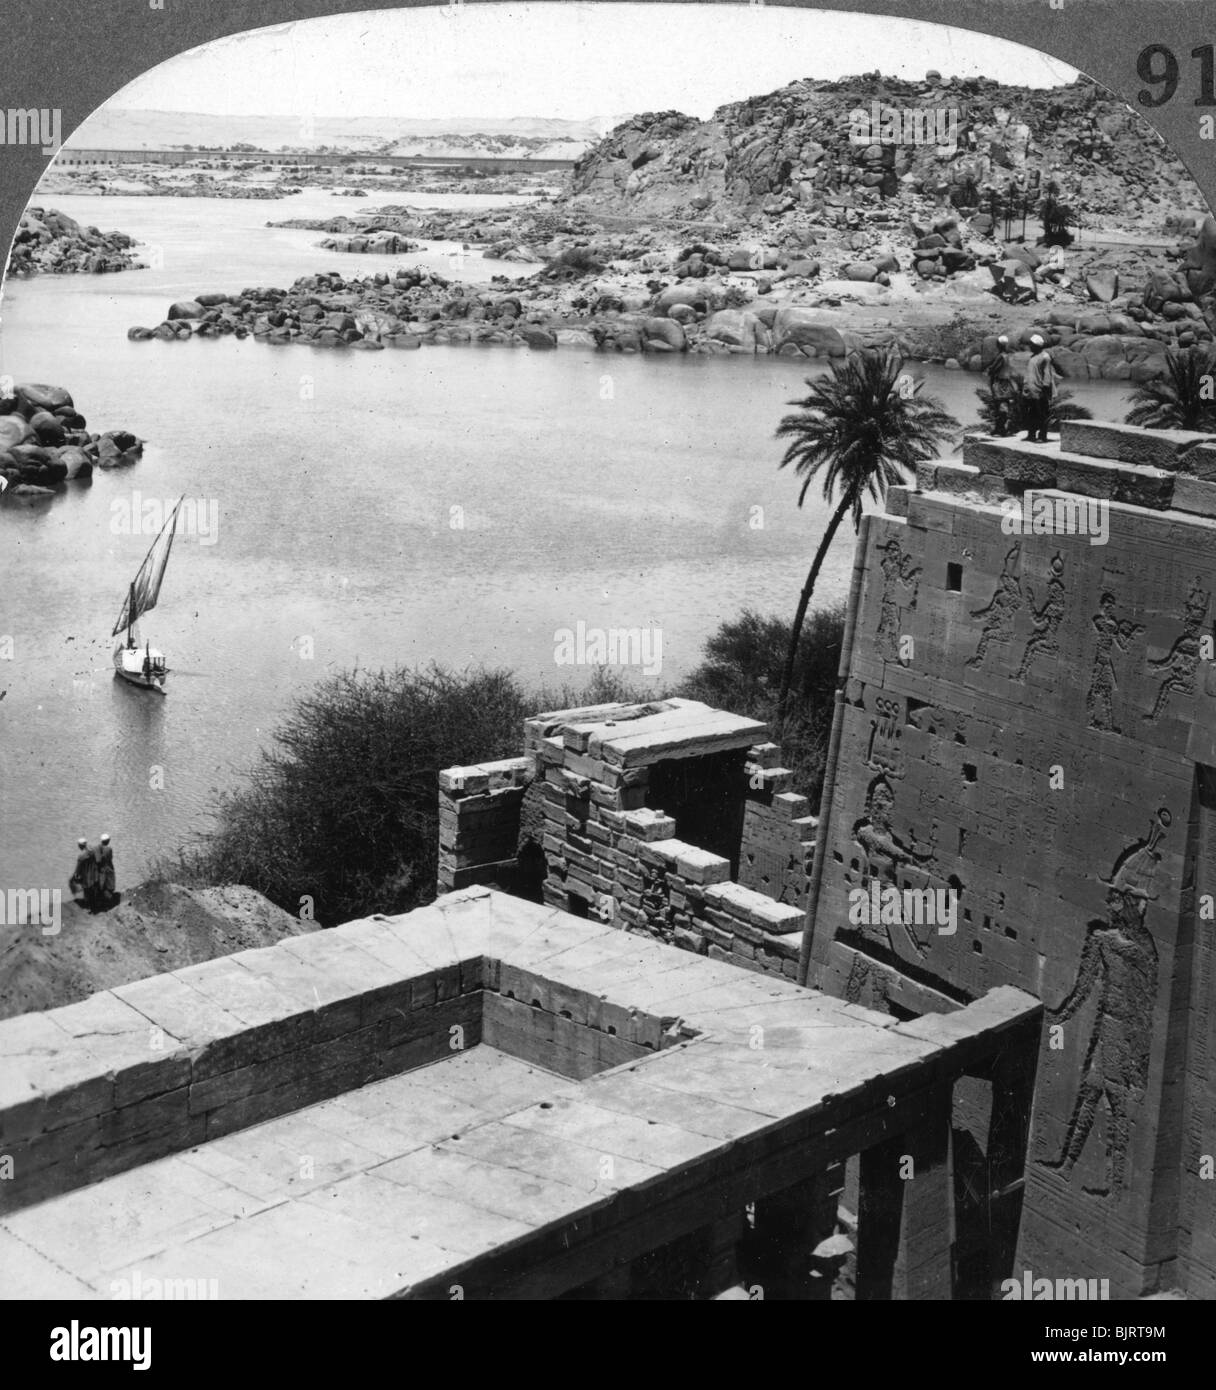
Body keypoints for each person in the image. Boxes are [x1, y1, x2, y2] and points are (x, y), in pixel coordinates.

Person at [1022, 334, 1058, 442]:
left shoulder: (1045, 357)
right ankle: (1031, 434)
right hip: (1031, 391)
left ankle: (1042, 436)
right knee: (1031, 413)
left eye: (1031, 344)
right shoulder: (1033, 357)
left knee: (1041, 414)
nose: (1030, 346)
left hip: (1039, 391)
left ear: (1036, 345)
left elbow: (1047, 375)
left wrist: (1045, 389)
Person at [986, 334, 1016, 437]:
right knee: (1004, 404)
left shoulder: (1000, 357)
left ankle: (1000, 429)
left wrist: (989, 371)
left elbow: (993, 369)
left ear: (998, 345)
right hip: (1007, 383)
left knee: (999, 405)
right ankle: (1001, 428)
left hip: (1000, 383)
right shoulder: (1008, 356)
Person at [69, 837, 96, 908]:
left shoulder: (81, 856)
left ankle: (84, 901)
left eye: (78, 845)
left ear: (80, 846)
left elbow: (77, 870)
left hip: (86, 877)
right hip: (94, 873)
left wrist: (73, 877)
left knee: (71, 881)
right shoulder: (92, 851)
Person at [94, 833, 116, 910]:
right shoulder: (109, 849)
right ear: (108, 841)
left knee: (100, 886)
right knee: (109, 885)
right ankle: (108, 903)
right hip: (107, 869)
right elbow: (110, 858)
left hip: (99, 870)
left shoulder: (96, 848)